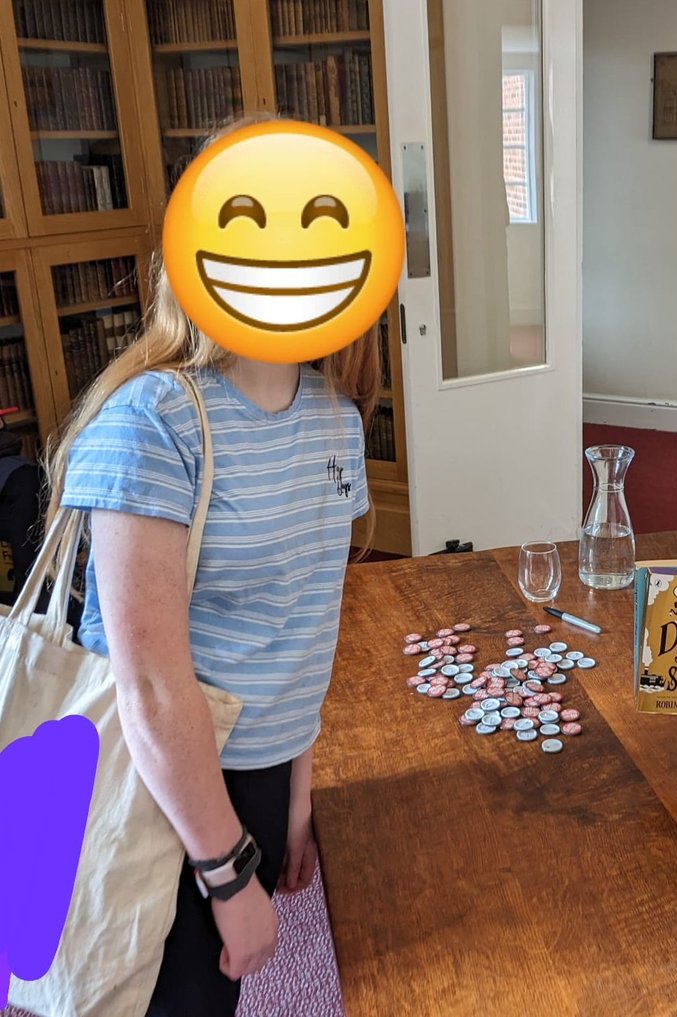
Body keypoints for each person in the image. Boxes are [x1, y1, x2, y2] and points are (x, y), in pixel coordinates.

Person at [46, 247, 377, 1015]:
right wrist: (225, 868)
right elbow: (153, 686)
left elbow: (305, 628)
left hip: (260, 777)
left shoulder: (335, 417)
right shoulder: (151, 420)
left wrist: (296, 796)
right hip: (155, 784)